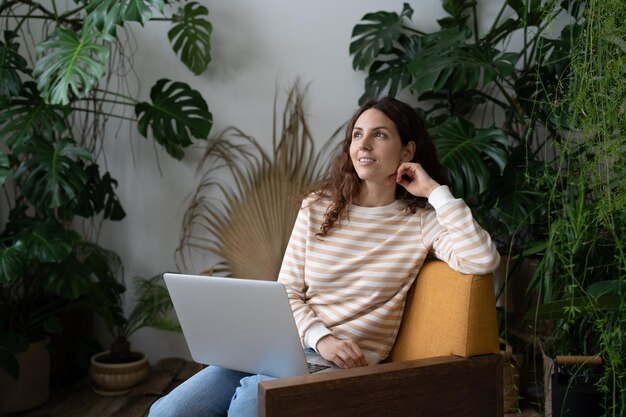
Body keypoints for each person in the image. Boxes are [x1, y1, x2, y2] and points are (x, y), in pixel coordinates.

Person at [148, 96, 500, 417]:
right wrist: (322, 338)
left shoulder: (421, 222)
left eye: (379, 135)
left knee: (247, 407)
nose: (363, 144)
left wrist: (437, 193)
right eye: (357, 134)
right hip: (283, 350)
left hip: (341, 369)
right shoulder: (318, 206)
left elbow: (482, 259)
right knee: (168, 412)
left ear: (407, 152)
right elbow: (287, 291)